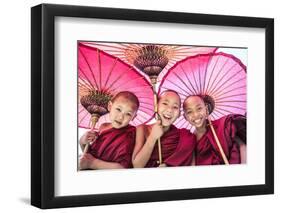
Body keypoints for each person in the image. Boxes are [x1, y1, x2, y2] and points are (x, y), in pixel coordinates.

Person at [132, 90, 196, 168]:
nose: (169, 110)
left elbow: (192, 168)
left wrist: (169, 166)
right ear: (156, 106)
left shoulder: (185, 137)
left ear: (179, 114)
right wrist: (152, 137)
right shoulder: (142, 129)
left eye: (175, 107)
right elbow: (137, 165)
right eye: (165, 103)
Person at [79, 91, 139, 170]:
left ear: (134, 117)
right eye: (118, 109)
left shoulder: (131, 134)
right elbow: (89, 155)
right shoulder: (103, 127)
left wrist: (93, 163)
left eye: (128, 114)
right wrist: (82, 142)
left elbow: (123, 168)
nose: (121, 117)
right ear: (110, 106)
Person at [182, 95, 247, 165]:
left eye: (199, 108)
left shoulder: (224, 125)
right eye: (189, 112)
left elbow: (242, 146)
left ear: (206, 109)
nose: (195, 115)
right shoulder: (190, 142)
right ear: (185, 117)